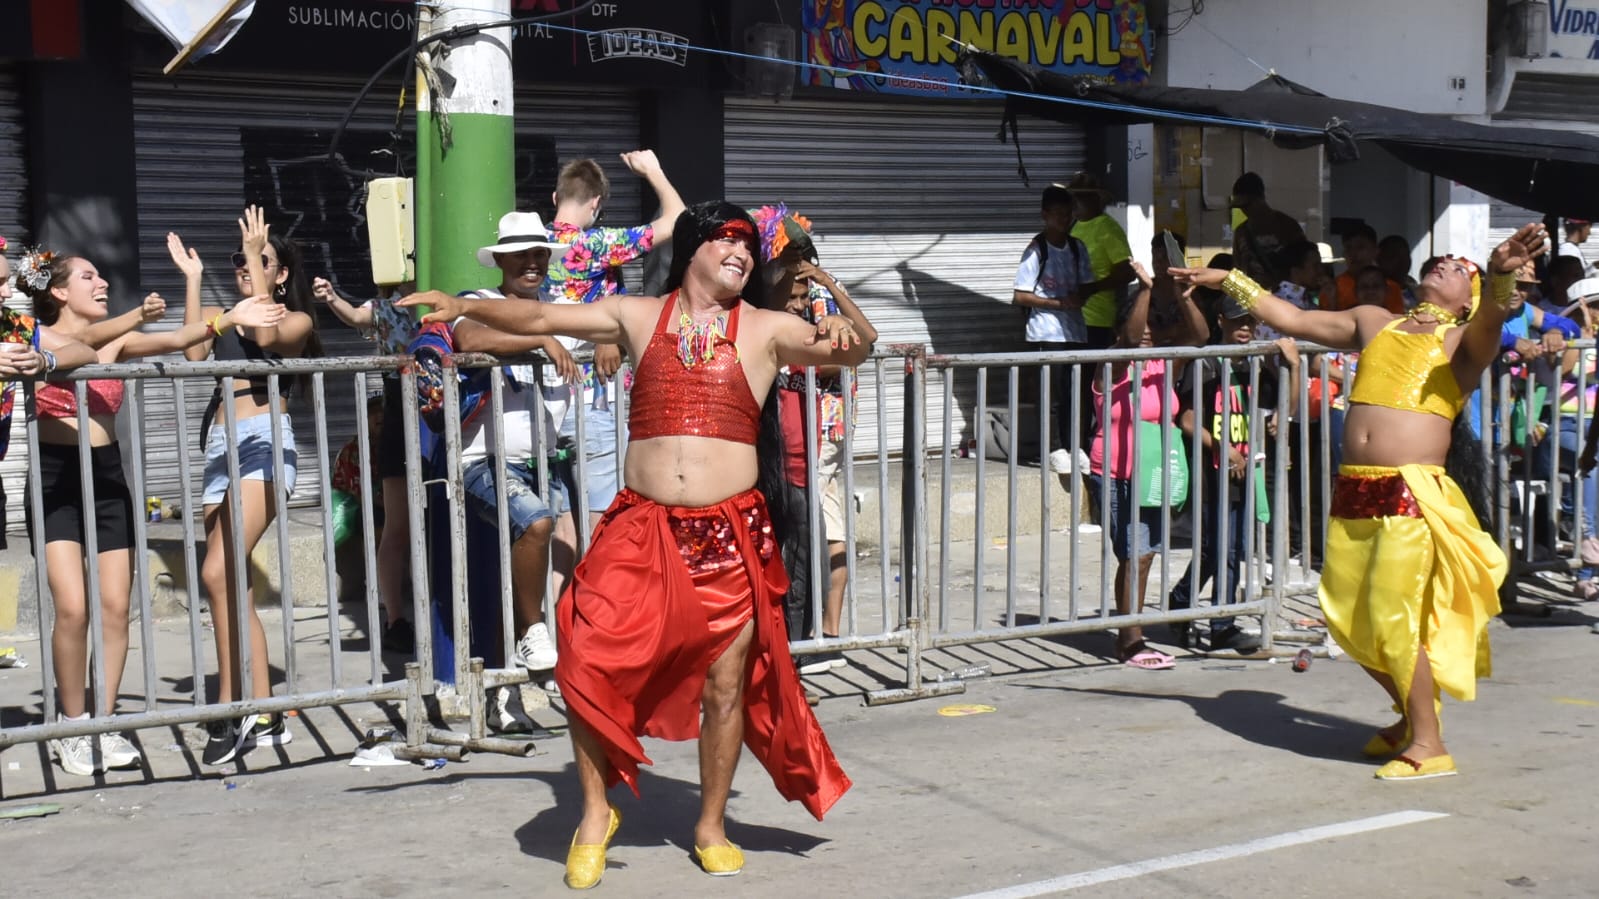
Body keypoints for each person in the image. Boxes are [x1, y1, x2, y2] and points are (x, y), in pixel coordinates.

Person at [400, 201, 857, 889]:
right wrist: (458, 307)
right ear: (696, 247)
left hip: (728, 536)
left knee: (725, 686)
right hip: (642, 527)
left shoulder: (766, 328)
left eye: (747, 245)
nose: (740, 252)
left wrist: (839, 307)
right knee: (583, 652)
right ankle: (592, 812)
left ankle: (709, 824)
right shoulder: (639, 313)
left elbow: (859, 346)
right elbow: (542, 318)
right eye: (727, 240)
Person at [1173, 222, 1549, 781]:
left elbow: (1493, 318)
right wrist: (1231, 280)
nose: (1445, 262)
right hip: (1354, 489)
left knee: (1394, 620)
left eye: (1459, 268)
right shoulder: (1376, 322)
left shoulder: (1464, 344)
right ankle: (1409, 713)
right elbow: (1294, 319)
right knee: (1348, 618)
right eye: (1443, 259)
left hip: (1408, 494)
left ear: (1468, 296)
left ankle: (1428, 743)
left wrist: (1496, 275)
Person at [19, 242, 284, 776]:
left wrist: (227, 317)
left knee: (117, 606)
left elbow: (179, 338)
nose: (102, 283)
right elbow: (74, 351)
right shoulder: (31, 340)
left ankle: (105, 720)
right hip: (53, 477)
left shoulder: (115, 338)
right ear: (57, 289)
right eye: (89, 277)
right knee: (73, 607)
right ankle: (72, 728)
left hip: (109, 474)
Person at [186, 207, 322, 766]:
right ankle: (265, 711)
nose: (245, 267)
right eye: (239, 261)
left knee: (216, 570)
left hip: (265, 442)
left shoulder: (295, 321)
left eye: (258, 261)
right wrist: (195, 283)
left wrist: (259, 270)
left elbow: (268, 333)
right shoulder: (227, 314)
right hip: (220, 449)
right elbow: (194, 353)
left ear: (280, 274)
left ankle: (232, 705)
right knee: (232, 584)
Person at [451, 212, 577, 724]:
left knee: (564, 571)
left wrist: (611, 339)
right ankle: (529, 636)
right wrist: (538, 340)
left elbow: (612, 326)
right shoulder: (478, 301)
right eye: (521, 253)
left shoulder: (566, 309)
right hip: (486, 457)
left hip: (549, 461)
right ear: (500, 260)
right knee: (534, 526)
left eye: (539, 253)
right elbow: (469, 340)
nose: (532, 262)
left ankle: (520, 691)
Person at [544, 152, 686, 600]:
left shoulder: (533, 247)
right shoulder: (595, 244)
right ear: (597, 204)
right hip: (594, 404)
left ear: (555, 197)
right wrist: (654, 172)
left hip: (543, 405)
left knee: (564, 525)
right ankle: (599, 624)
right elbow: (677, 220)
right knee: (602, 523)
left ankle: (552, 631)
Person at [758, 207, 878, 676]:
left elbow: (865, 340)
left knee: (827, 541)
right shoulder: (779, 329)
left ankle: (822, 637)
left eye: (806, 286)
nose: (801, 293)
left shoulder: (817, 321)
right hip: (788, 457)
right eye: (796, 281)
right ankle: (811, 640)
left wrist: (830, 288)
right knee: (808, 545)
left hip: (819, 450)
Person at [1086, 258, 1204, 669]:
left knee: (1144, 553)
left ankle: (1129, 634)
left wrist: (1185, 299)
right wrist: (1146, 289)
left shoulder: (1161, 364)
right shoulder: (1115, 363)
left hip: (1154, 471)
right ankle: (1131, 641)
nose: (1149, 332)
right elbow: (1133, 336)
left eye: (1155, 324)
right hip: (1117, 470)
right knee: (1135, 553)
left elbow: (1199, 337)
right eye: (1142, 324)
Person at [1168, 299, 1298, 652]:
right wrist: (1224, 449)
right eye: (1238, 321)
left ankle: (1189, 607)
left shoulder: (1256, 362)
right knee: (1218, 549)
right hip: (1214, 472)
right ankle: (1214, 619)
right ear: (1221, 319)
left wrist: (1295, 368)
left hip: (1245, 472)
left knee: (1232, 549)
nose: (1245, 328)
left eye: (1251, 322)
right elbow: (1188, 420)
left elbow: (1285, 410)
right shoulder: (1207, 362)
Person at [313, 278, 420, 653]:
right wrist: (332, 298)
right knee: (396, 526)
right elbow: (358, 317)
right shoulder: (385, 306)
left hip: (441, 412)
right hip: (400, 410)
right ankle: (396, 619)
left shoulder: (450, 296)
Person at [0, 236, 98, 547]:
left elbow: (84, 351)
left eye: (7, 282)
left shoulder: (13, 327)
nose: (7, 292)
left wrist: (45, 359)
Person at [1011, 182, 1094, 473]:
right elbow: (1019, 295)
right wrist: (1058, 304)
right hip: (1046, 332)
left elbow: (1087, 285)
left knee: (1076, 392)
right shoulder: (1037, 250)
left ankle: (1076, 445)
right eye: (1057, 213)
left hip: (1075, 331)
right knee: (1053, 394)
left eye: (1067, 213)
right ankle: (1055, 446)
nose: (1063, 219)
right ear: (1045, 215)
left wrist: (1079, 298)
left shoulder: (1076, 248)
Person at [1066, 172, 1135, 348]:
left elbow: (1127, 272)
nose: (1074, 203)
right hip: (1073, 317)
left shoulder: (1107, 228)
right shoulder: (1076, 225)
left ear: (1096, 199)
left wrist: (1093, 288)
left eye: (1081, 197)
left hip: (1097, 320)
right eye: (1072, 197)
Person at [1229, 172, 1306, 287]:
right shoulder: (1242, 232)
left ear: (1261, 199)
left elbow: (1304, 263)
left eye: (1247, 205)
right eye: (1240, 208)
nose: (1245, 211)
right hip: (1253, 296)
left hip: (1284, 294)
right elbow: (1237, 267)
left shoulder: (1287, 225)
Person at [1334, 225, 1406, 314]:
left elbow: (1396, 323)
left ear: (1375, 251)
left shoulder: (1392, 287)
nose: (1353, 253)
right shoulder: (1334, 286)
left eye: (1360, 247)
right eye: (1348, 248)